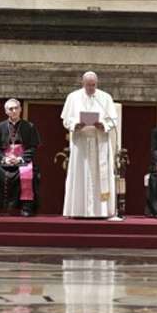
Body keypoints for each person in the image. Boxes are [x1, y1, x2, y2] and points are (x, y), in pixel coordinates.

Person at [61, 71, 120, 219]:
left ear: (97, 83)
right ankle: (77, 210)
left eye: (93, 85)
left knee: (100, 176)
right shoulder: (72, 97)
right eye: (88, 85)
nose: (91, 88)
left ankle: (103, 211)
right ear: (83, 83)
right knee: (79, 174)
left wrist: (103, 125)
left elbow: (114, 120)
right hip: (80, 142)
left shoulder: (105, 97)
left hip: (100, 141)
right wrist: (76, 124)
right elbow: (66, 120)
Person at [0, 98, 41, 217]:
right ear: (6, 111)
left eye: (16, 108)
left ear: (20, 109)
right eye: (11, 109)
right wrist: (5, 159)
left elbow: (32, 148)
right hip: (5, 160)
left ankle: (26, 207)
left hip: (23, 160)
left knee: (28, 173)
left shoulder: (29, 126)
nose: (14, 111)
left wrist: (20, 158)